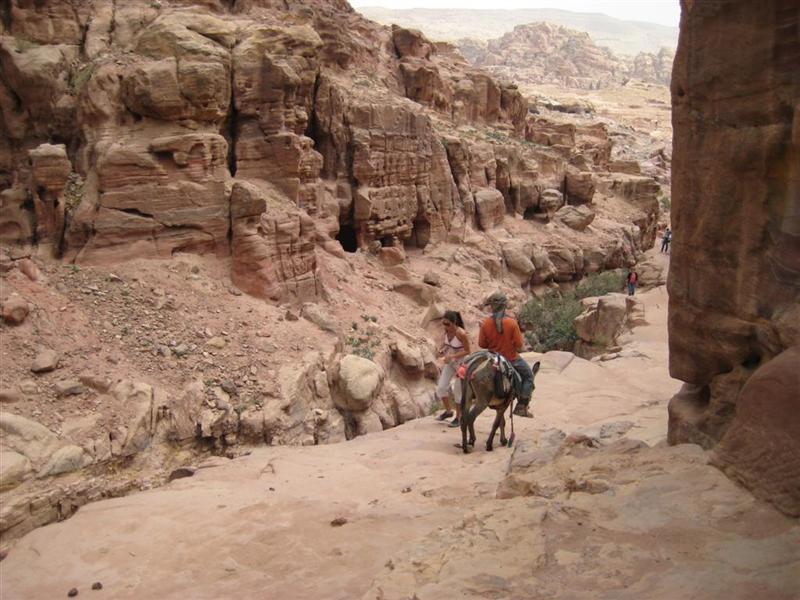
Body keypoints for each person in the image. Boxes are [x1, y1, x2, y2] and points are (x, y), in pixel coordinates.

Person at [477, 292, 534, 418]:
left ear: (491, 307)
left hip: (492, 359)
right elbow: (519, 345)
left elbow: (481, 344)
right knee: (529, 376)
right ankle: (522, 406)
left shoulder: (486, 323)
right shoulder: (512, 323)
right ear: (504, 306)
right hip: (511, 359)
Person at [434, 310, 471, 428]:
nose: (445, 326)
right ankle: (448, 411)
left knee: (457, 391)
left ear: (454, 323)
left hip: (462, 364)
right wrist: (441, 350)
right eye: (444, 323)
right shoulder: (446, 331)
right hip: (451, 362)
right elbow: (446, 344)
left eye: (448, 324)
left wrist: (452, 356)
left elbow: (468, 351)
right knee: (441, 387)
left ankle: (459, 417)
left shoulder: (461, 333)